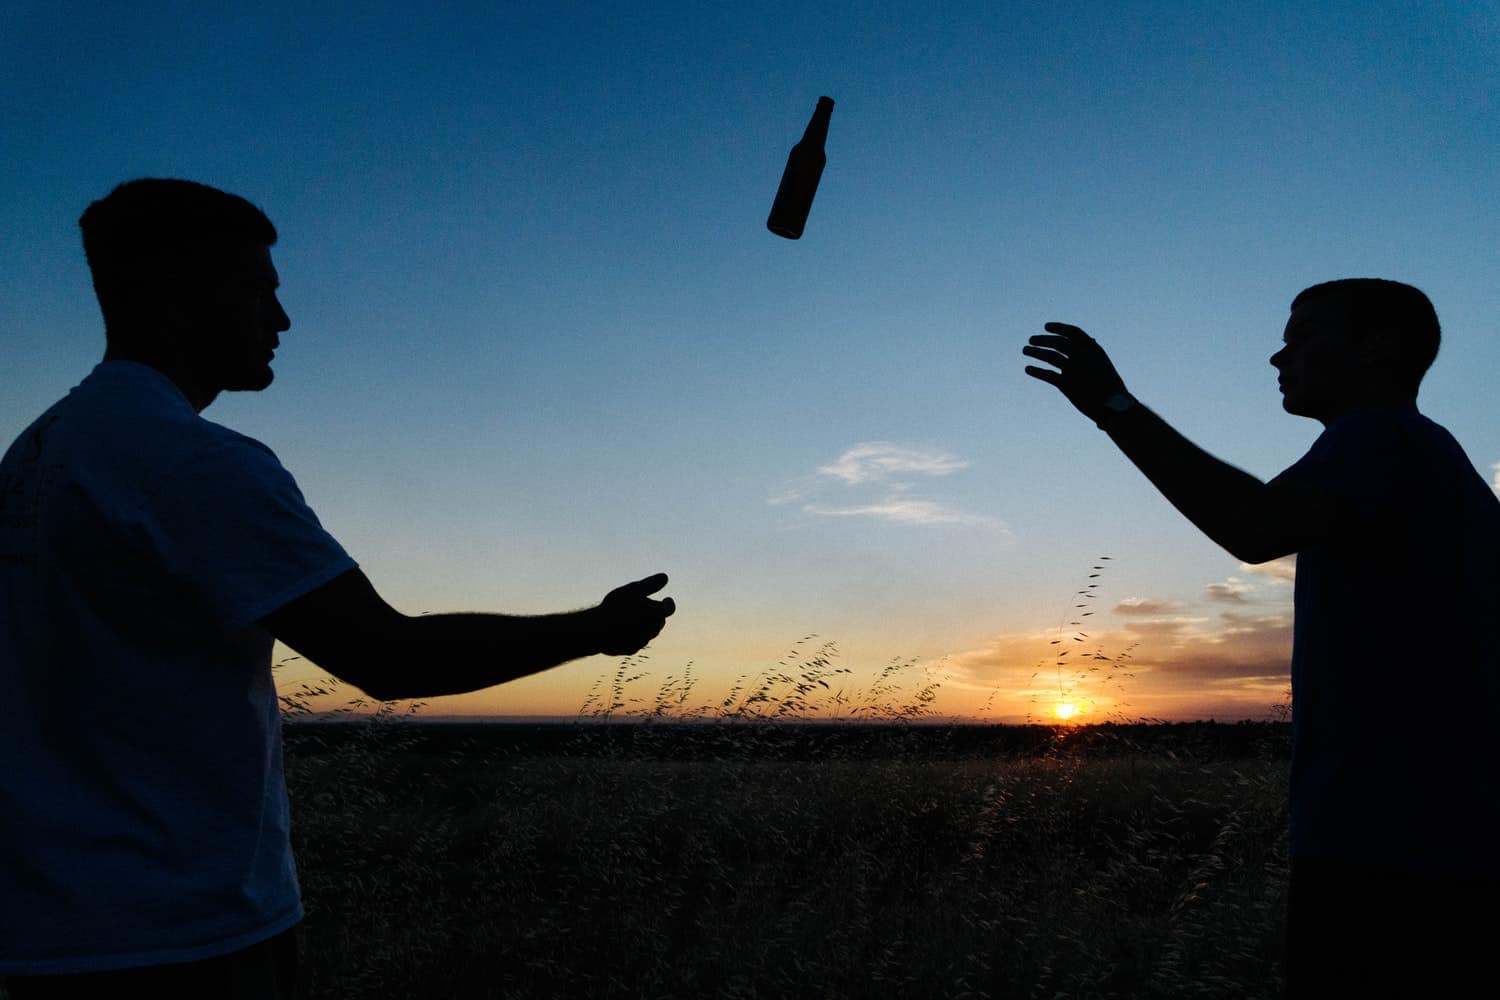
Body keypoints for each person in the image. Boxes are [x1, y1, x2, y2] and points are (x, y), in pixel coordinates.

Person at [0, 178, 675, 998]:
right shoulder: (193, 462)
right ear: (179, 293)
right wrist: (592, 629)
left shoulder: (39, 454)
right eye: (260, 292)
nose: (281, 321)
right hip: (181, 936)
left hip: (49, 935)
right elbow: (386, 657)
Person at [1022, 279, 1500, 997]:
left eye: (1304, 334)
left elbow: (1254, 525)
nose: (1279, 356)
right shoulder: (1424, 456)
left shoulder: (1381, 438)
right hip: (1432, 832)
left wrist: (1114, 409)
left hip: (1390, 839)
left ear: (1377, 348)